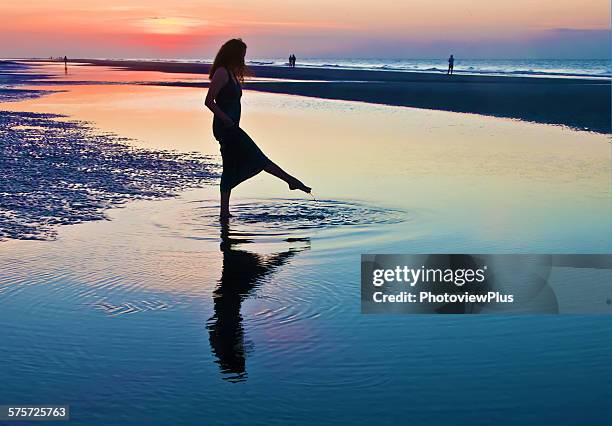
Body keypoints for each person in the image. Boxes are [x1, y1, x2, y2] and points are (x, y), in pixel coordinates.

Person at [205, 39, 311, 219]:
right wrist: (225, 119)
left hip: (232, 126)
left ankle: (224, 212)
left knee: (231, 166)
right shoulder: (222, 73)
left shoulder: (232, 73)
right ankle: (290, 181)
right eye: (242, 55)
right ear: (233, 54)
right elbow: (209, 101)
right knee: (257, 156)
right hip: (226, 128)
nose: (243, 59)